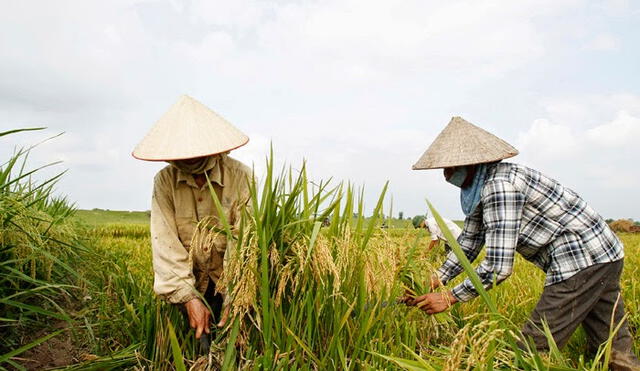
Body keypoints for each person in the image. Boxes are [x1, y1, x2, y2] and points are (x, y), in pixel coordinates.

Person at [408, 116, 639, 370]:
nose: (446, 174)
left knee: (531, 349)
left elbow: (498, 267)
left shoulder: (499, 187)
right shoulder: (484, 185)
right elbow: (468, 243)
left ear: (473, 163)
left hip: (581, 259)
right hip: (604, 254)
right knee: (612, 343)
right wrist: (437, 278)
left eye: (451, 167)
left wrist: (449, 297)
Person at [132, 95, 252, 340]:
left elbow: (245, 240)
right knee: (194, 342)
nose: (188, 159)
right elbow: (164, 242)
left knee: (237, 344)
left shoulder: (241, 177)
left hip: (230, 278)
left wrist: (236, 295)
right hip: (190, 279)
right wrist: (187, 296)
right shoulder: (165, 181)